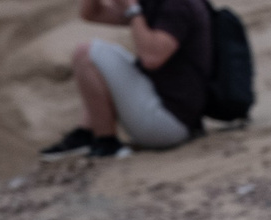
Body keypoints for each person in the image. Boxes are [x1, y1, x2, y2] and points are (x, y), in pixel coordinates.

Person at [43, 0, 213, 160]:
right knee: (104, 61)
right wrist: (132, 8)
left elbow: (151, 58)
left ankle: (107, 144)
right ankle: (86, 133)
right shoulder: (157, 4)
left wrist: (133, 10)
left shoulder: (177, 5)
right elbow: (92, 14)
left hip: (170, 124)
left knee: (85, 53)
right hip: (170, 116)